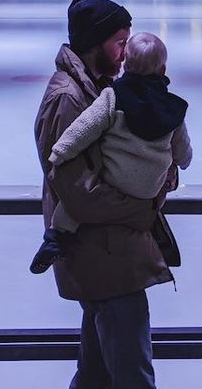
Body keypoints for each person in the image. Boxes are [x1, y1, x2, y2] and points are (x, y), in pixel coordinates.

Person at [33, 0, 177, 389]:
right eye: (119, 42)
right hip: (105, 257)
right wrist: (144, 208)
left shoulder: (101, 90)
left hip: (109, 254)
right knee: (133, 382)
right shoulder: (67, 98)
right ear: (94, 42)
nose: (125, 53)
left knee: (95, 378)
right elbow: (78, 192)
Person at [31, 32, 191, 275]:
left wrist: (60, 151)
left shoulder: (113, 96)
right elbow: (182, 149)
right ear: (163, 69)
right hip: (149, 189)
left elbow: (85, 127)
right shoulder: (173, 108)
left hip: (116, 179)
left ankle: (56, 237)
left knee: (70, 208)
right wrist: (183, 162)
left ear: (126, 64)